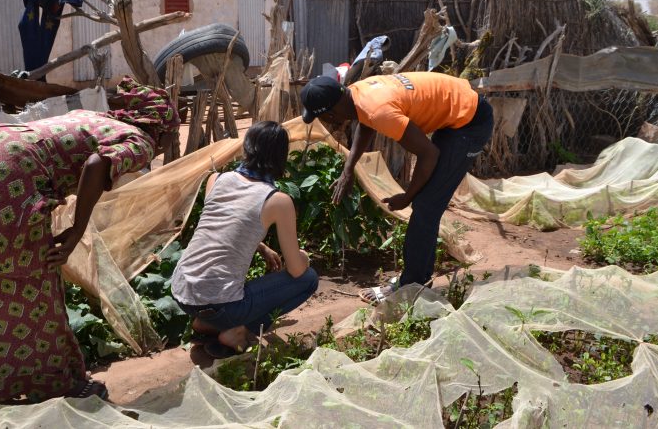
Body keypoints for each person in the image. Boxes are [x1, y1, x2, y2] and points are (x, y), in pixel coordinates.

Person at [0, 77, 179, 404]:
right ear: (161, 127)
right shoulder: (139, 139)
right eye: (172, 131)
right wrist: (75, 231)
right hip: (11, 175)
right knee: (36, 285)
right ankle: (55, 383)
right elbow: (97, 164)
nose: (172, 139)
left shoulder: (99, 119)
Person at [299, 72, 493, 303]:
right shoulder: (357, 94)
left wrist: (408, 196)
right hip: (457, 110)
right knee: (426, 205)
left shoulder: (379, 110)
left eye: (325, 118)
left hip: (470, 121)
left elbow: (428, 154)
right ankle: (418, 278)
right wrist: (348, 169)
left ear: (331, 113)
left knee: (425, 205)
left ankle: (411, 285)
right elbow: (366, 122)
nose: (328, 123)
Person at [171, 121, 318, 359]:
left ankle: (205, 323)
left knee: (219, 292)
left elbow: (224, 227)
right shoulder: (278, 200)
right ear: (282, 157)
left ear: (246, 149)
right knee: (309, 279)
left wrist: (261, 247)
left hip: (182, 291)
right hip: (220, 303)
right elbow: (296, 269)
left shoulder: (217, 180)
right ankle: (238, 330)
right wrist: (304, 257)